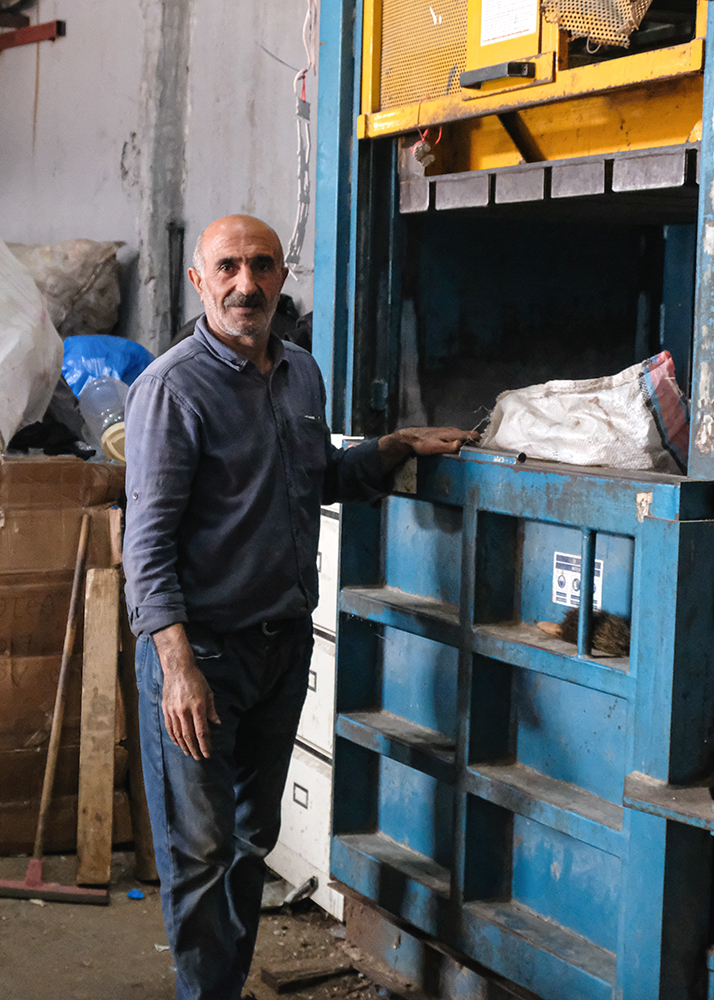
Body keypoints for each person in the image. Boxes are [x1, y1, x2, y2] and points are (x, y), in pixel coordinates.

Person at [123, 214, 475, 1000]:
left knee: (253, 837)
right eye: (229, 268)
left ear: (283, 277)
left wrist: (391, 449)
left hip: (280, 652)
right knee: (202, 850)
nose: (246, 284)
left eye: (262, 266)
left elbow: (317, 480)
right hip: (202, 655)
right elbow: (144, 548)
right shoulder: (173, 388)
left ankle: (226, 982)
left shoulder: (302, 375)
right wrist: (177, 669)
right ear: (199, 281)